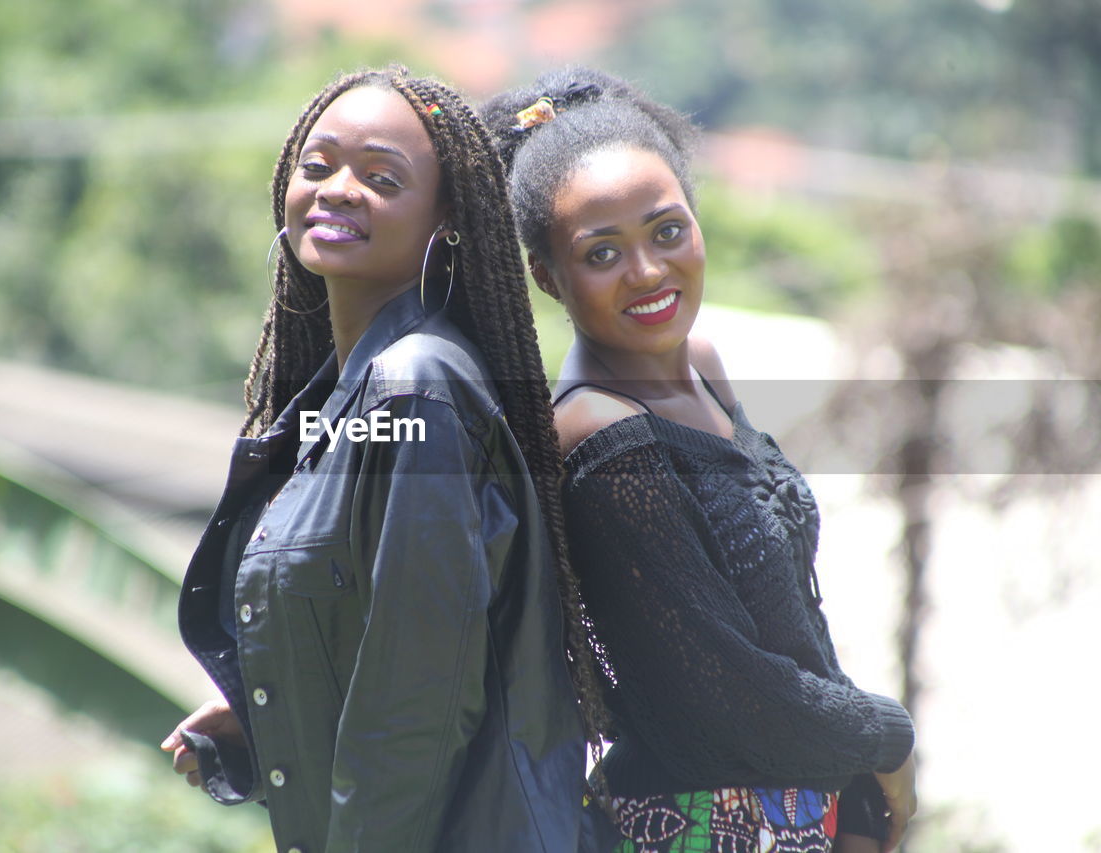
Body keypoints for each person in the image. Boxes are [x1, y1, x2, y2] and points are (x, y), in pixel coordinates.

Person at [159, 67, 610, 853]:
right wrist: (270, 716)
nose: (337, 189)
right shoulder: (352, 394)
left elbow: (415, 707)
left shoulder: (415, 390)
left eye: (381, 177)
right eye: (318, 164)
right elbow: (381, 633)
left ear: (447, 222)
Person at [481, 69, 918, 853]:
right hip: (694, 827)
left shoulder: (706, 366)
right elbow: (735, 696)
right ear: (548, 277)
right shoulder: (601, 439)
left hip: (793, 812)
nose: (647, 271)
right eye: (602, 252)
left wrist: (851, 800)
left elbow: (788, 619)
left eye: (667, 231)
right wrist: (888, 738)